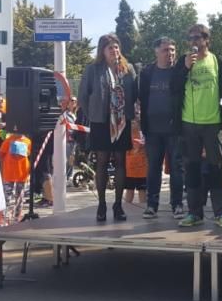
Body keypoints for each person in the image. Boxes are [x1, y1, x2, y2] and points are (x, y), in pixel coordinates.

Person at [173, 24, 222, 228]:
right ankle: (194, 212)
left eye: (198, 38)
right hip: (189, 124)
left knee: (216, 168)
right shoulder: (183, 62)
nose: (194, 42)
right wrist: (185, 68)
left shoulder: (219, 61)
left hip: (212, 123)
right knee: (191, 169)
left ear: (206, 40)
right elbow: (174, 87)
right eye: (190, 38)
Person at [78, 33, 137, 222]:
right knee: (102, 161)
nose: (114, 50)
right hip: (101, 122)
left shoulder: (128, 70)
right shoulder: (93, 70)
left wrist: (128, 115)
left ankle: (118, 204)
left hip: (121, 122)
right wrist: (93, 114)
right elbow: (83, 96)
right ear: (102, 51)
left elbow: (134, 94)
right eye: (110, 47)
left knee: (120, 160)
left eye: (116, 47)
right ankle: (102, 204)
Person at [138, 36, 185, 219]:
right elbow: (141, 98)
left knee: (176, 167)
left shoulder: (180, 71)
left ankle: (177, 204)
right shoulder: (147, 72)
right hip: (152, 130)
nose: (170, 54)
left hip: (174, 129)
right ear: (156, 51)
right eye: (166, 50)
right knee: (153, 169)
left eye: (173, 50)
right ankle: (151, 205)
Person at [0, 129, 32, 207]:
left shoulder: (28, 141)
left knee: (20, 198)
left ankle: (17, 216)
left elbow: (28, 155)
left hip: (22, 173)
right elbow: (0, 155)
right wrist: (1, 171)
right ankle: (4, 215)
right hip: (9, 173)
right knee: (6, 197)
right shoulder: (8, 140)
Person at [124, 120, 148, 206]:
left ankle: (144, 207)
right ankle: (126, 208)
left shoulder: (144, 134)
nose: (132, 124)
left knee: (142, 191)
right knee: (129, 190)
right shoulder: (126, 135)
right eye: (131, 122)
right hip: (129, 170)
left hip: (142, 170)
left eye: (134, 122)